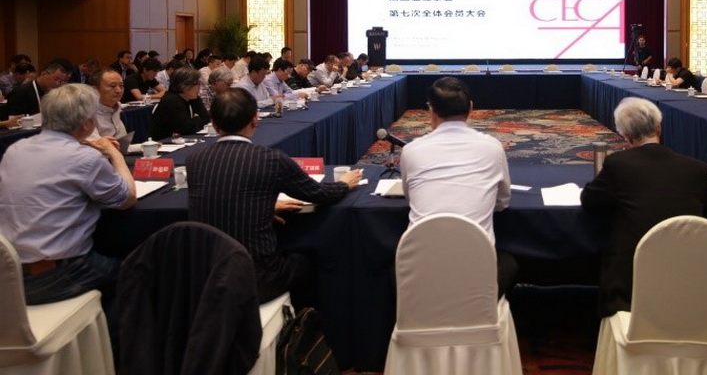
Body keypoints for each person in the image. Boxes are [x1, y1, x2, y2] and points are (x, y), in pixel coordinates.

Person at [186, 89, 362, 304]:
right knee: (314, 256)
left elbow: (222, 196)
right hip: (257, 278)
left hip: (206, 277)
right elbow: (319, 194)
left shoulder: (194, 159)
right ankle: (307, 322)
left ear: (214, 124)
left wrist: (266, 206)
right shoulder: (270, 159)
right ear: (255, 119)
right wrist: (344, 183)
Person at [581, 97, 707, 317]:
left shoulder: (618, 164)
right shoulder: (696, 169)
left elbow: (589, 201)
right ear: (659, 128)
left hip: (630, 290)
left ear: (626, 136)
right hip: (691, 284)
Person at [0, 83, 136, 305]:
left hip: (9, 273)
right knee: (139, 273)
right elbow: (127, 198)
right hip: (59, 273)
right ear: (86, 124)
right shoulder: (84, 158)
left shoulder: (15, 149)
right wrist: (114, 154)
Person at [400, 77, 515, 295]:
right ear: (471, 108)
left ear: (431, 111)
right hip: (478, 275)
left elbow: (410, 198)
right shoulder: (492, 147)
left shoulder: (411, 150)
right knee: (510, 262)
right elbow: (502, 202)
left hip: (421, 277)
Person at [149, 67, 210, 140]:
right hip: (163, 142)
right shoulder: (172, 101)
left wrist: (195, 121)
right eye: (197, 83)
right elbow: (187, 128)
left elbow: (206, 118)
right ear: (184, 86)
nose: (199, 87)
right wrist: (197, 119)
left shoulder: (191, 97)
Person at [6, 60, 71, 115]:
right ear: (44, 74)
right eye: (55, 79)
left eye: (61, 81)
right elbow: (14, 119)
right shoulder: (20, 92)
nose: (57, 84)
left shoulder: (55, 94)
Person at [87, 68, 127, 139]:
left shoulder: (116, 107)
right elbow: (96, 144)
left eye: (121, 86)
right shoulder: (87, 113)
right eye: (113, 86)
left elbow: (123, 141)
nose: (118, 90)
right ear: (95, 89)